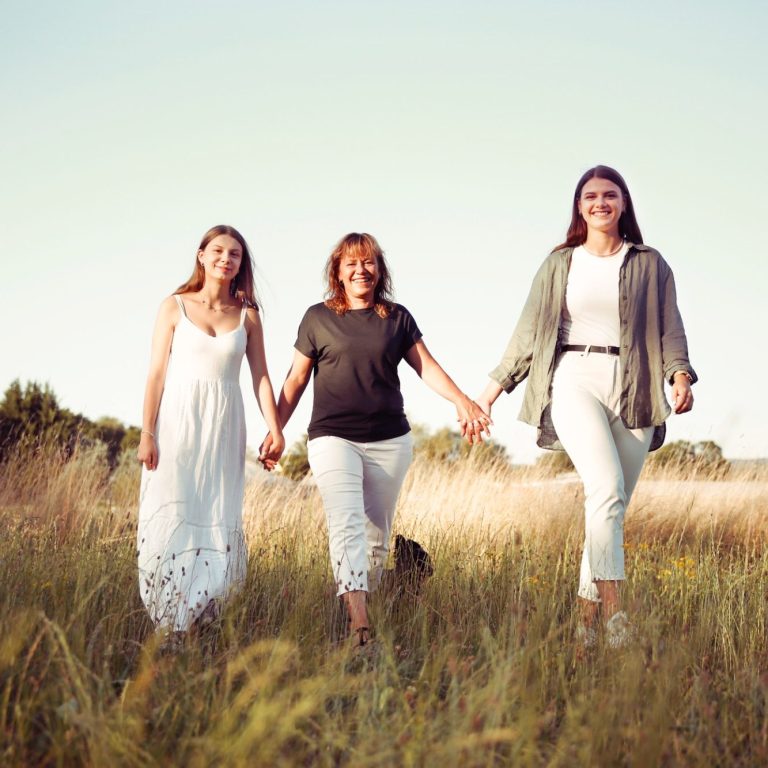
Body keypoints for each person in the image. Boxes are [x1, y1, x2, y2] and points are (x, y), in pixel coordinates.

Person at [476, 166, 696, 648]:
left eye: (610, 195)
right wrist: (490, 392)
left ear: (623, 204)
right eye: (591, 196)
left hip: (635, 386)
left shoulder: (650, 263)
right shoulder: (559, 264)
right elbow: (529, 333)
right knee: (605, 488)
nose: (601, 203)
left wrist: (679, 375)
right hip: (574, 377)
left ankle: (584, 628)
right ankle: (617, 618)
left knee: (608, 509)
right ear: (579, 207)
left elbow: (671, 326)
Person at [260, 232, 490, 646]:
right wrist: (276, 428)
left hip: (389, 441)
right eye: (351, 263)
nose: (360, 270)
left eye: (368, 263)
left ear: (378, 270)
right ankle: (360, 625)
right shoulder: (318, 317)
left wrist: (462, 401)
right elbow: (295, 379)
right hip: (333, 438)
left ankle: (367, 610)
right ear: (338, 272)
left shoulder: (396, 317)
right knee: (346, 523)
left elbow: (427, 367)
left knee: (377, 538)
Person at [136, 225, 284, 643]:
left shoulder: (248, 315)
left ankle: (207, 612)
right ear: (201, 255)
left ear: (241, 264)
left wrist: (275, 428)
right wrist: (147, 432)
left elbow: (261, 377)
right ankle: (170, 619)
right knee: (174, 510)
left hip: (224, 422)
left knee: (217, 512)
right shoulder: (174, 306)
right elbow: (156, 374)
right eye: (218, 250)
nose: (226, 258)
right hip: (177, 421)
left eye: (234, 253)